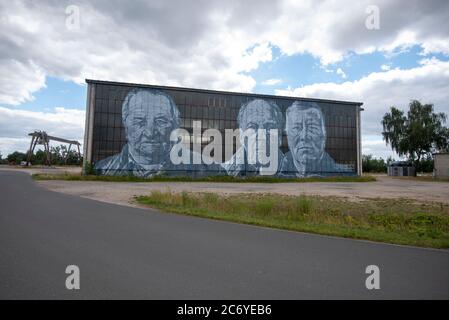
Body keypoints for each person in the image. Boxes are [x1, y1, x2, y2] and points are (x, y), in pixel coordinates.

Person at [95, 88, 207, 177]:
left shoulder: (205, 166)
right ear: (126, 125)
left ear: (175, 126)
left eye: (160, 121)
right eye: (139, 121)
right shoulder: (102, 168)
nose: (150, 132)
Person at [280, 101, 353, 177]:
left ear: (324, 135)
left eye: (312, 127)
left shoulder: (343, 174)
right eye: (296, 128)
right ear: (288, 136)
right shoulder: (279, 173)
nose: (304, 136)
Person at [221, 99, 284, 176]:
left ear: (279, 135)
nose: (262, 137)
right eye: (252, 127)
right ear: (241, 135)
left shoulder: (292, 168)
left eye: (270, 127)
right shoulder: (224, 171)